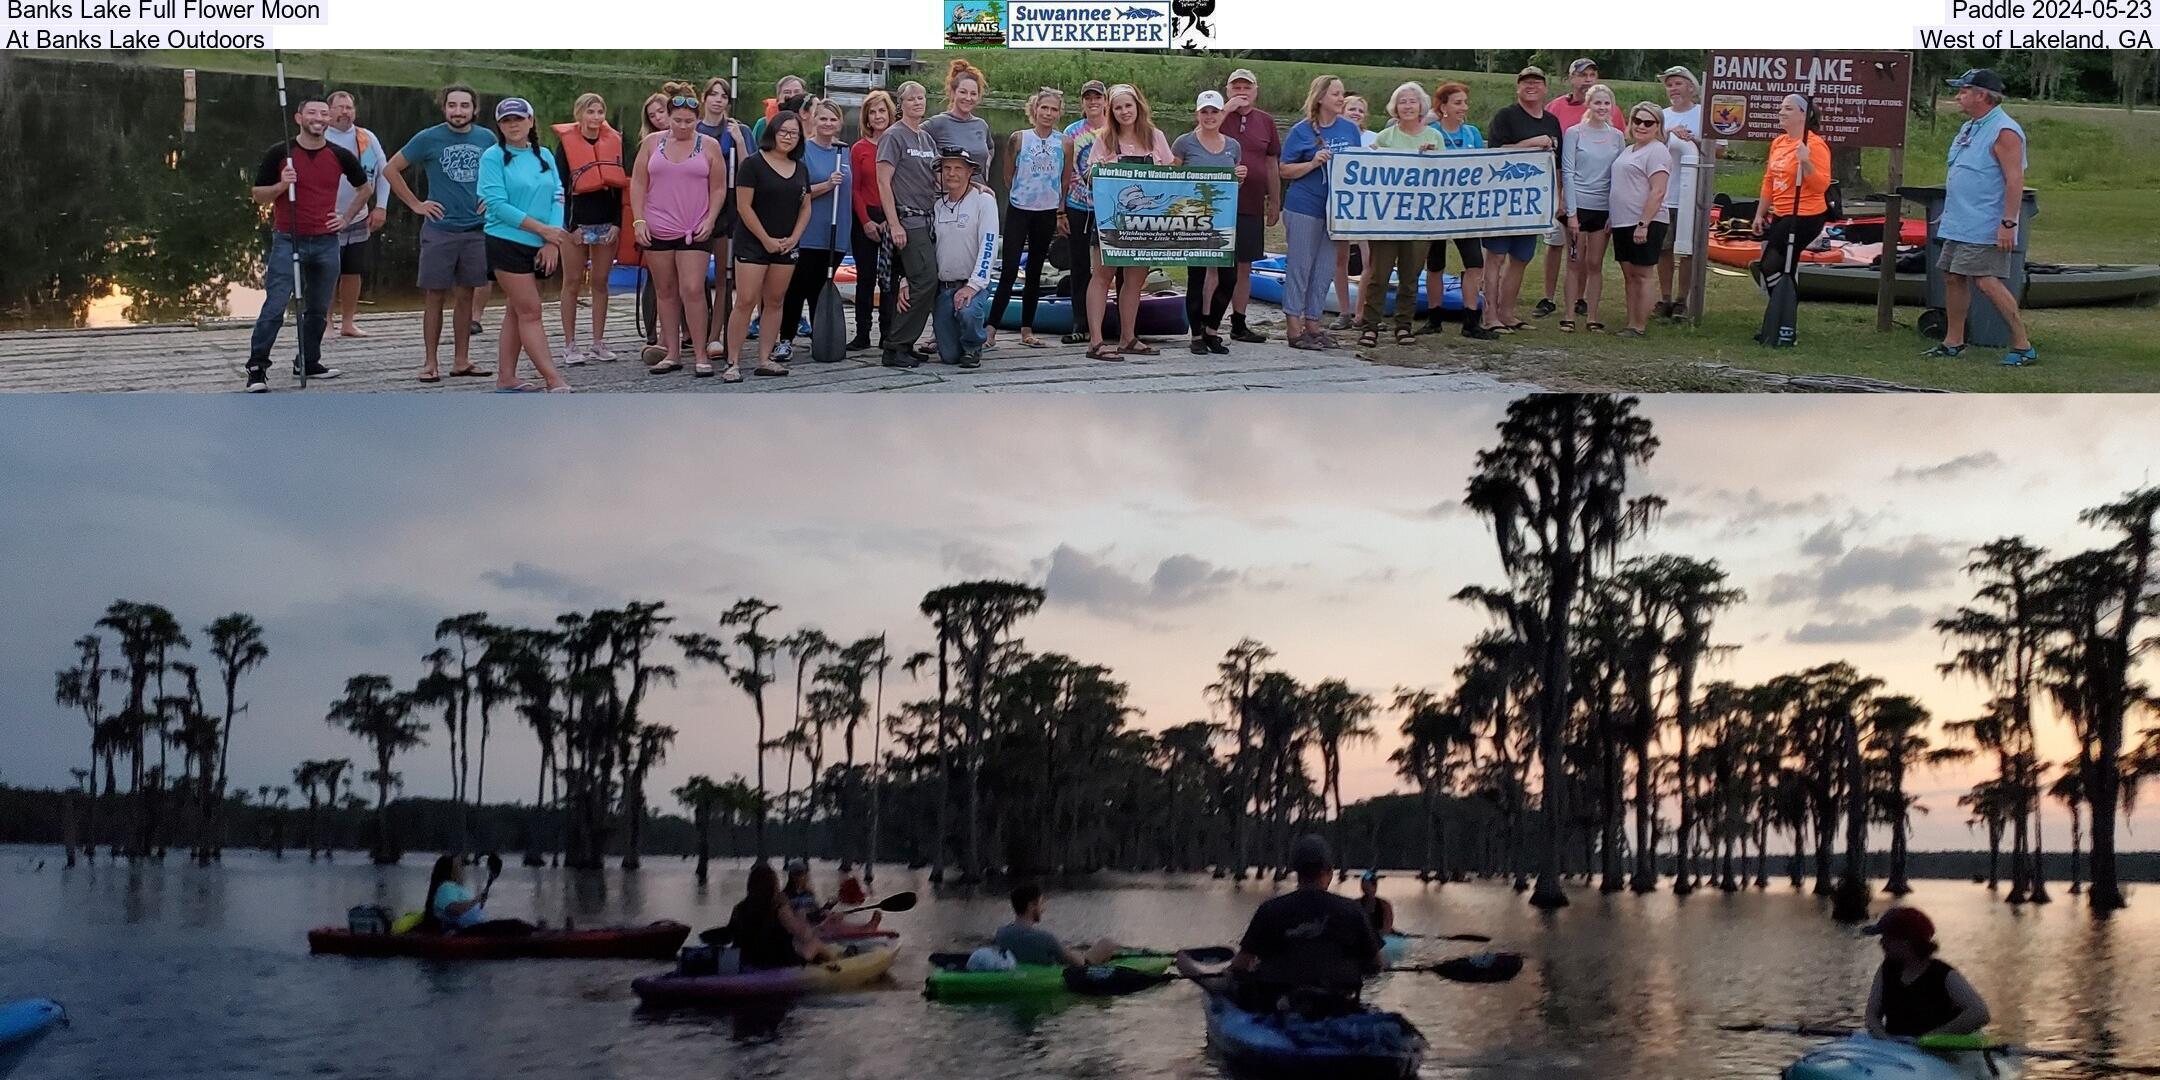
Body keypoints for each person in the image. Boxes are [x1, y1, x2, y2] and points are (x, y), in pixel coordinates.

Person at [242, 94, 371, 392]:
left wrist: (347, 217)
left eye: (324, 114)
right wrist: (282, 186)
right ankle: (257, 367)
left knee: (317, 308)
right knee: (275, 305)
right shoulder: (280, 153)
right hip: (289, 239)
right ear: (299, 118)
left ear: (329, 120)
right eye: (312, 113)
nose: (319, 118)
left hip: (327, 240)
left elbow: (365, 188)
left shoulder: (340, 154)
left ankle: (309, 361)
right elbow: (258, 195)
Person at [1181, 835, 1381, 1014]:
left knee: (1229, 980)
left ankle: (1192, 968)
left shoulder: (1270, 910)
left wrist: (1233, 972)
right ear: (1329, 871)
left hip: (1278, 1003)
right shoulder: (1354, 911)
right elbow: (1376, 964)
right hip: (1338, 1004)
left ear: (1296, 871)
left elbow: (1241, 965)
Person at [385, 84, 496, 383]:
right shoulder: (428, 137)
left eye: (464, 106)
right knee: (434, 296)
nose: (458, 111)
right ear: (444, 107)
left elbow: (501, 172)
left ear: (475, 109)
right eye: (452, 105)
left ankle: (461, 360)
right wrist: (416, 204)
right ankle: (430, 362)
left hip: (476, 230)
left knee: (466, 296)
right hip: (440, 230)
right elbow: (391, 169)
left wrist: (493, 197)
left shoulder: (487, 138)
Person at [1929, 69, 2037, 366]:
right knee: (1953, 277)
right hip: (1959, 220)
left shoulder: (2005, 131)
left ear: (1982, 96)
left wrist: (2008, 222)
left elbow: (2014, 180)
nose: (1958, 97)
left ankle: (2022, 344)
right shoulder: (1970, 127)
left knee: (1986, 281)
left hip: (1985, 222)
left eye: (1963, 91)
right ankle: (1953, 341)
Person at [629, 85, 727, 377]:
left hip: (694, 227)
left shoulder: (708, 146)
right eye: (677, 120)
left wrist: (711, 219)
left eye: (689, 121)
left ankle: (700, 354)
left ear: (697, 120)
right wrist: (638, 220)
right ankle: (671, 352)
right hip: (657, 225)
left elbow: (719, 186)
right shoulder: (651, 143)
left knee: (693, 289)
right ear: (668, 118)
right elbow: (637, 182)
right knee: (666, 290)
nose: (683, 126)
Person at [477, 98, 573, 393]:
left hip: (541, 243)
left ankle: (506, 378)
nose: (513, 125)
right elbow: (496, 204)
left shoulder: (543, 154)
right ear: (500, 126)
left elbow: (558, 196)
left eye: (519, 118)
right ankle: (553, 379)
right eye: (506, 121)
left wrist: (551, 239)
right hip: (506, 241)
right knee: (531, 311)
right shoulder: (492, 157)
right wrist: (540, 228)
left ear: (531, 121)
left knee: (516, 310)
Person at [1081, 83, 1174, 362]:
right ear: (1111, 110)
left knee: (1135, 279)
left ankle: (1128, 338)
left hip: (1145, 222)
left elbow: (1171, 173)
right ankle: (1096, 342)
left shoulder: (1155, 137)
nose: (1124, 111)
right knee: (1102, 276)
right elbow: (1089, 177)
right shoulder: (1105, 139)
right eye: (1118, 107)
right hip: (1112, 220)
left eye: (1128, 106)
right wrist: (1100, 170)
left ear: (1138, 106)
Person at [727, 109, 812, 381]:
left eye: (794, 133)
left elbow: (805, 206)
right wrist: (765, 239)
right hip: (753, 243)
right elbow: (743, 206)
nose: (788, 137)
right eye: (783, 131)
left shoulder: (800, 167)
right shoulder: (752, 164)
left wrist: (795, 237)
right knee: (746, 300)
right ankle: (733, 362)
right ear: (772, 132)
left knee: (775, 302)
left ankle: (765, 358)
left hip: (786, 245)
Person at [1279, 75, 1362, 352]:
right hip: (1305, 206)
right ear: (1321, 98)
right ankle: (1293, 325)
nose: (1341, 99)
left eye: (1341, 94)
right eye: (1336, 94)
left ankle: (1314, 323)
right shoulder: (1302, 131)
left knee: (1325, 267)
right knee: (1300, 266)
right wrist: (1313, 163)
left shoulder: (1350, 130)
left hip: (1336, 210)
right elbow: (1284, 169)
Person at [1357, 82, 1442, 349]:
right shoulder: (1385, 137)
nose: (1407, 106)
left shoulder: (1434, 137)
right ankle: (1370, 326)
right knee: (1379, 274)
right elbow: (1370, 171)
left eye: (1412, 101)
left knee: (1410, 276)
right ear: (1395, 107)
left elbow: (1446, 175)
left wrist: (1431, 158)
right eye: (1402, 101)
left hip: (1420, 218)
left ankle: (1403, 325)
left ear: (1421, 107)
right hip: (1387, 218)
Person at [1483, 67, 1563, 334]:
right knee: (1495, 256)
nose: (1531, 86)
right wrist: (1531, 143)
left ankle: (1507, 312)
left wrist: (1558, 197)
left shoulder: (1552, 121)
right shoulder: (1506, 116)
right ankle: (1490, 315)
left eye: (1537, 82)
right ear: (1517, 88)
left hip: (1533, 203)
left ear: (1545, 88)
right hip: (1502, 199)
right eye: (1526, 82)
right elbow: (1494, 152)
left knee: (1521, 257)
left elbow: (1558, 166)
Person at [553, 93, 628, 367]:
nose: (596, 117)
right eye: (590, 112)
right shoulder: (565, 146)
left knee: (600, 282)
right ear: (579, 115)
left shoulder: (615, 143)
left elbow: (620, 191)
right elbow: (560, 189)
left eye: (600, 112)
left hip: (605, 223)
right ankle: (570, 344)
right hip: (575, 225)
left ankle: (598, 342)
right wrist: (570, 227)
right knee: (571, 282)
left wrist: (618, 224)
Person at [988, 87, 1067, 350]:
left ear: (1059, 113)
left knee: (1034, 270)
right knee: (1010, 269)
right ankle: (991, 330)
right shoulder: (1018, 138)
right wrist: (1024, 194)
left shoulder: (1064, 142)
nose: (1048, 113)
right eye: (1044, 108)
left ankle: (1027, 329)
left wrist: (1059, 211)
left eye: (1053, 109)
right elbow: (1008, 175)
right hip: (1019, 209)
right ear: (1034, 109)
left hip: (1046, 212)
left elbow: (1064, 182)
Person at [775, 98, 851, 363]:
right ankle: (785, 340)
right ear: (813, 120)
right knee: (797, 288)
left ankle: (823, 339)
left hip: (837, 234)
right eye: (823, 119)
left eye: (833, 119)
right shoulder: (803, 151)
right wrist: (827, 185)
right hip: (808, 232)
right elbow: (798, 191)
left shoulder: (844, 152)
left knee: (820, 288)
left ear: (839, 123)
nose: (828, 124)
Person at [1171, 91, 1245, 355]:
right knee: (1197, 277)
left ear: (1221, 114)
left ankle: (1213, 328)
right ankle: (1196, 335)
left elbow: (1234, 183)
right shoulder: (1184, 143)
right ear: (1197, 114)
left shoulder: (1233, 146)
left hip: (1224, 221)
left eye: (1214, 111)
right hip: (1194, 220)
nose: (1210, 116)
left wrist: (1240, 176)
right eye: (1205, 112)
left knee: (1229, 277)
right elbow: (1172, 178)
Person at [1754, 93, 1832, 342]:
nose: (1781, 112)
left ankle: (1783, 317)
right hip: (1781, 212)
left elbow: (1821, 185)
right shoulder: (1778, 143)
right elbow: (1769, 180)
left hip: (1806, 214)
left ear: (1803, 114)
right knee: (1783, 266)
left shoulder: (1815, 145)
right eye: (1780, 108)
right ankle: (1781, 320)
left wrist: (1806, 162)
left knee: (1769, 265)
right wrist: (1760, 212)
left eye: (1788, 108)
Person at [876, 81, 941, 369]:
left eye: (922, 97)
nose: (918, 102)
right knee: (925, 278)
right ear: (900, 104)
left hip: (928, 217)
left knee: (924, 282)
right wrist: (894, 224)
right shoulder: (893, 136)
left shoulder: (926, 139)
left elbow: (937, 180)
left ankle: (906, 343)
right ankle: (894, 345)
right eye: (911, 98)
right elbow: (883, 181)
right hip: (907, 219)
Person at [1429, 83, 1497, 340]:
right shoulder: (1431, 132)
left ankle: (1471, 321)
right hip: (1436, 209)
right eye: (1458, 103)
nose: (1464, 108)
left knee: (1474, 263)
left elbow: (1482, 167)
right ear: (1443, 107)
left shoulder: (1472, 133)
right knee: (1435, 263)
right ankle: (1434, 319)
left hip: (1465, 210)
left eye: (1465, 102)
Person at [1218, 68, 1281, 344]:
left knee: (1245, 265)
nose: (1241, 92)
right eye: (1236, 87)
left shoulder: (1266, 121)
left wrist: (1275, 201)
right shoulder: (1215, 116)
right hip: (1219, 203)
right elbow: (1196, 138)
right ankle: (1206, 321)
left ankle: (1239, 322)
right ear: (1228, 91)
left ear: (1256, 91)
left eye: (1247, 87)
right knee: (1214, 264)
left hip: (1252, 202)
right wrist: (1226, 109)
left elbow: (1271, 162)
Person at [922, 145, 998, 368]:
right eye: (946, 168)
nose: (951, 173)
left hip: (973, 283)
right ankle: (955, 342)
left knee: (968, 312)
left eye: (958, 168)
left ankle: (974, 346)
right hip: (944, 287)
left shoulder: (984, 201)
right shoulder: (937, 206)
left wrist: (973, 285)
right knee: (949, 357)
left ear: (969, 172)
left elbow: (989, 244)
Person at [1863, 907, 1991, 1039]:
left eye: (1887, 938)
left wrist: (1932, 1038)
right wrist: (1885, 1039)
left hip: (1934, 1050)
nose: (1882, 943)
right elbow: (1872, 1014)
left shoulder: (1943, 974)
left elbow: (1980, 1013)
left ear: (1906, 942)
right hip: (1896, 1048)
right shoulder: (1887, 969)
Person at [322, 90, 389, 342]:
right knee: (328, 271)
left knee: (353, 270)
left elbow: (384, 172)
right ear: (329, 112)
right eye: (339, 108)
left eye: (349, 108)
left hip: (359, 215)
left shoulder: (366, 138)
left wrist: (381, 206)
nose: (344, 112)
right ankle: (325, 322)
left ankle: (348, 322)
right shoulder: (320, 137)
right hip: (326, 216)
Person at [1559, 84, 1623, 333]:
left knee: (1595, 263)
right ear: (1588, 104)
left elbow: (1617, 176)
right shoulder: (1575, 133)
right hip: (1579, 206)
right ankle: (1569, 315)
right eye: (1597, 103)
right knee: (1575, 261)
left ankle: (1592, 316)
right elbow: (1568, 172)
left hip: (1602, 208)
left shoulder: (1617, 136)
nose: (1602, 108)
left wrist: (1613, 212)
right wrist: (1571, 214)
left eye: (1606, 103)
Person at [696, 76, 752, 360]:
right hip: (696, 207)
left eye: (723, 96)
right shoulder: (692, 130)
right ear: (704, 98)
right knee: (691, 279)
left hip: (729, 209)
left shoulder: (737, 130)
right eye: (713, 94)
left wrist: (740, 140)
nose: (718, 99)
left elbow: (750, 167)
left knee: (723, 276)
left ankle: (716, 335)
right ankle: (692, 333)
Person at [1538, 59, 1598, 319]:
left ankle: (1580, 297)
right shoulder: (1556, 107)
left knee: (1582, 247)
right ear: (1571, 79)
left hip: (1589, 189)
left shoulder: (1606, 107)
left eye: (1592, 75)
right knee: (1555, 243)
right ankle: (1548, 297)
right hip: (1556, 183)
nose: (1587, 80)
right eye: (1582, 75)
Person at [1609, 103, 1674, 338]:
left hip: (1647, 221)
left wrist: (1644, 224)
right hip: (1622, 220)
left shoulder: (1657, 151)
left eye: (1649, 122)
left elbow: (1657, 191)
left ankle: (1639, 325)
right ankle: (1631, 321)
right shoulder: (1628, 150)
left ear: (1658, 126)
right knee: (1629, 274)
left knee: (1643, 273)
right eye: (1638, 121)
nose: (1642, 126)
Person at [1059, 79, 1113, 346]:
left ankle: (1110, 323)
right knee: (1079, 266)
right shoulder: (1071, 131)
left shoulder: (1114, 130)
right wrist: (1061, 212)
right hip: (1078, 206)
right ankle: (1080, 323)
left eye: (1097, 97)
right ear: (1082, 102)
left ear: (1105, 101)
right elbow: (1065, 173)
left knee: (1110, 268)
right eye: (1088, 98)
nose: (1093, 102)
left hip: (1110, 209)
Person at [1657, 66, 1709, 320]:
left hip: (1693, 195)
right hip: (1665, 193)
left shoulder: (1703, 115)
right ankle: (1664, 298)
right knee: (1663, 249)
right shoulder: (1661, 116)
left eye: (1678, 83)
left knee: (1687, 248)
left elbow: (1719, 151)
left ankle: (1682, 299)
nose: (1673, 89)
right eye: (1669, 85)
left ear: (1691, 87)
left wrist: (1693, 141)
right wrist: (1668, 133)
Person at [848, 89, 898, 352]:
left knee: (889, 279)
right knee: (865, 278)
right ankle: (862, 333)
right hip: (865, 217)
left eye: (882, 111)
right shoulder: (859, 149)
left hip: (891, 217)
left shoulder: (897, 143)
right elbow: (854, 188)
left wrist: (892, 220)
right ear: (866, 118)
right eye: (873, 112)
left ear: (890, 114)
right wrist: (866, 221)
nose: (878, 116)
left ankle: (888, 333)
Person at [725, 862, 828, 969]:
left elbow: (729, 935)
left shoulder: (739, 908)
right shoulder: (779, 907)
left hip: (748, 960)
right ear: (773, 884)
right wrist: (800, 917)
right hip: (780, 962)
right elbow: (804, 935)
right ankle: (835, 965)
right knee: (814, 945)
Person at [994, 883, 1123, 967]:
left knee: (1071, 949)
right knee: (1107, 943)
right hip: (1061, 968)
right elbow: (1079, 963)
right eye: (1041, 904)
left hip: (1023, 967)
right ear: (1031, 906)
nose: (1043, 908)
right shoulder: (1045, 938)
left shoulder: (1001, 933)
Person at [1331, 92, 1375, 329]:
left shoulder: (1373, 139)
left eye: (1360, 110)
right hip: (1342, 206)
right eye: (1352, 109)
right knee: (1341, 258)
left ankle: (1362, 311)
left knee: (1370, 259)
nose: (1356, 113)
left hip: (1368, 207)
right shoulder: (1335, 136)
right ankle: (1344, 311)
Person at [424, 855, 535, 936]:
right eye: (458, 866)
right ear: (449, 871)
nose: (462, 869)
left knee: (513, 925)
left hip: (476, 927)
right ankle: (538, 933)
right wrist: (476, 900)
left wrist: (479, 902)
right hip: (466, 930)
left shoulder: (456, 888)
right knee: (514, 924)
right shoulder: (446, 887)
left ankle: (537, 931)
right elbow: (455, 910)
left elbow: (467, 910)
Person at [925, 59, 996, 184]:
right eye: (963, 92)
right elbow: (911, 139)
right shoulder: (937, 123)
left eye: (973, 94)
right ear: (952, 93)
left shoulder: (981, 125)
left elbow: (990, 149)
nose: (968, 98)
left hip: (979, 195)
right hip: (948, 198)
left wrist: (987, 167)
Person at [1354, 870, 1395, 936]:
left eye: (1367, 886)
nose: (1364, 888)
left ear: (1375, 887)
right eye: (1363, 886)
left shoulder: (1384, 905)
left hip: (1380, 936)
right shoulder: (1356, 904)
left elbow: (1387, 927)